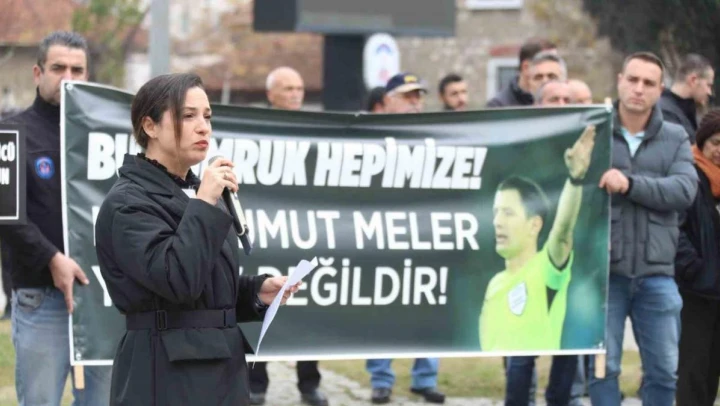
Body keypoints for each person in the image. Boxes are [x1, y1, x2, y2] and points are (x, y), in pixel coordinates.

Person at [93, 72, 299, 405]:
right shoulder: (128, 202)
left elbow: (206, 285)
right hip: (166, 373)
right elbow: (177, 281)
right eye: (188, 116)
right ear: (150, 126)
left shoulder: (195, 192)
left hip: (221, 369)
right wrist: (204, 202)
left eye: (207, 116)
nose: (203, 127)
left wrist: (256, 292)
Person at [0, 31, 112, 405]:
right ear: (38, 73)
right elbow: (7, 215)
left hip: (100, 299)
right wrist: (52, 258)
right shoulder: (10, 132)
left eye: (77, 70)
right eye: (58, 68)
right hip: (40, 297)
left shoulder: (105, 134)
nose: (68, 77)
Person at [588, 52, 698, 406]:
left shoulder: (675, 137)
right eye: (633, 80)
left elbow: (684, 190)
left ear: (660, 90)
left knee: (664, 371)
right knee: (603, 368)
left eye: (648, 83)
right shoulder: (593, 132)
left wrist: (630, 184)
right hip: (604, 275)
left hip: (657, 274)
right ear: (620, 80)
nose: (639, 89)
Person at [481, 88, 595, 404]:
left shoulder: (583, 144)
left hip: (566, 268)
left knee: (566, 358)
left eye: (566, 100)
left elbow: (562, 232)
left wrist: (575, 179)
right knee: (519, 360)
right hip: (523, 279)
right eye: (553, 99)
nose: (561, 105)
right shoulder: (495, 284)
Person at [249, 66, 328, 406]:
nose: (296, 94)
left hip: (304, 234)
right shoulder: (254, 130)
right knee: (261, 305)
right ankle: (256, 384)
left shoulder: (315, 130)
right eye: (288, 88)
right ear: (271, 94)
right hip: (267, 233)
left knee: (307, 314)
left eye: (299, 88)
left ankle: (309, 384)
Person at [365, 72, 445, 405]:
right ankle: (381, 378)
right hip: (384, 237)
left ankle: (425, 378)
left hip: (424, 235)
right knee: (383, 308)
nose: (415, 103)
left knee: (427, 307)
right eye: (407, 97)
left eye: (418, 97)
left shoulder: (435, 138)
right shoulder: (369, 139)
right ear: (387, 101)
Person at [675, 109, 720, 405]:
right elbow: (674, 228)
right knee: (693, 372)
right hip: (695, 292)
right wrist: (693, 268)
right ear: (702, 142)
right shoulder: (689, 176)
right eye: (716, 142)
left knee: (712, 371)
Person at [658, 53, 715, 144]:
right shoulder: (665, 113)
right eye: (708, 85)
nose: (709, 92)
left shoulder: (687, 112)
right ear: (693, 80)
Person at [487, 37, 557, 107]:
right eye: (549, 61)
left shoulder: (559, 98)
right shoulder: (499, 106)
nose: (556, 67)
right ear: (526, 67)